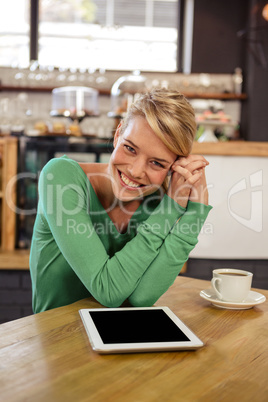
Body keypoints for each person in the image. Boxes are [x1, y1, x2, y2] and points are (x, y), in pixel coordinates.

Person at [30, 88, 212, 313]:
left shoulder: (157, 203)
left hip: (119, 341)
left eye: (157, 163)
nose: (136, 171)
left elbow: (141, 298)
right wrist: (170, 208)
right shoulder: (60, 177)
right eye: (130, 148)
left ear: (172, 169)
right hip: (55, 341)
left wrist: (196, 211)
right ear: (118, 135)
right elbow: (108, 291)